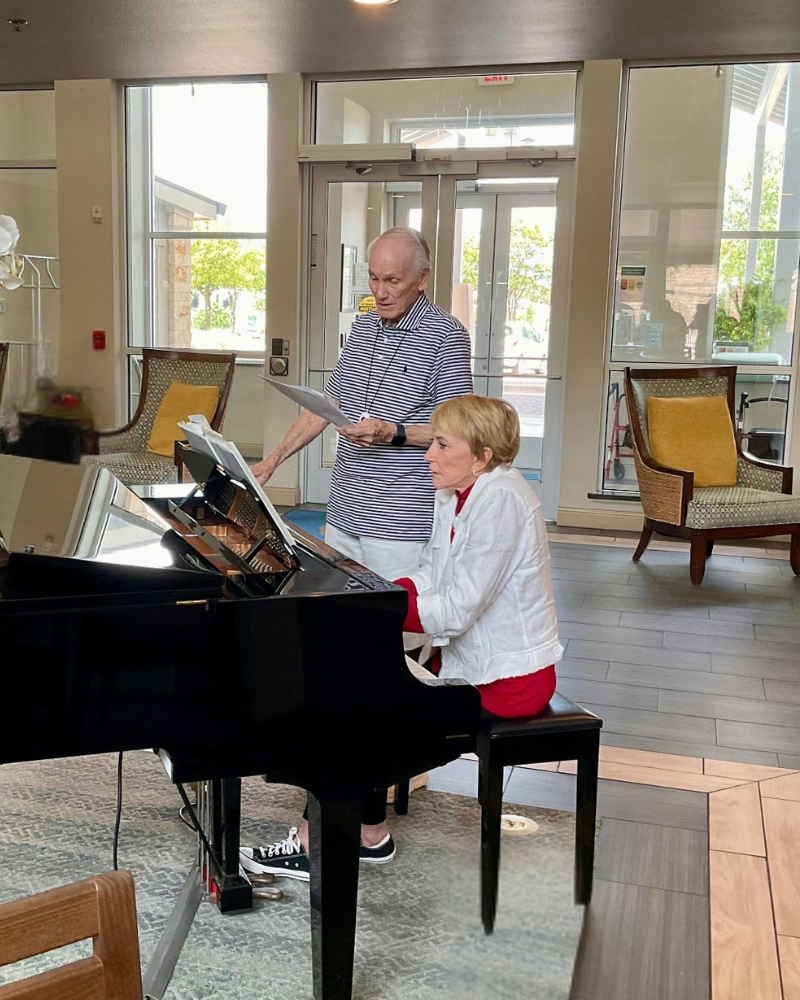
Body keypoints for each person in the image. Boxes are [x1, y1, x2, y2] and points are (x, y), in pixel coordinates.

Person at [239, 395, 563, 881]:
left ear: (482, 457)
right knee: (353, 683)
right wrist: (376, 594)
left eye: (440, 444)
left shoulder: (502, 501)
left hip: (509, 678)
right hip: (470, 660)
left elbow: (456, 610)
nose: (427, 454)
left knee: (359, 705)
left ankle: (326, 843)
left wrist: (375, 611)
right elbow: (431, 574)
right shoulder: (457, 489)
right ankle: (367, 832)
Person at [250, 226, 473, 581]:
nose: (380, 292)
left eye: (392, 281)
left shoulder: (447, 335)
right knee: (344, 617)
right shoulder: (363, 327)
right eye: (372, 278)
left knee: (395, 627)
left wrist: (392, 433)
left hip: (399, 522)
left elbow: (460, 432)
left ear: (422, 278)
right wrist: (272, 461)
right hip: (343, 510)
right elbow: (327, 405)